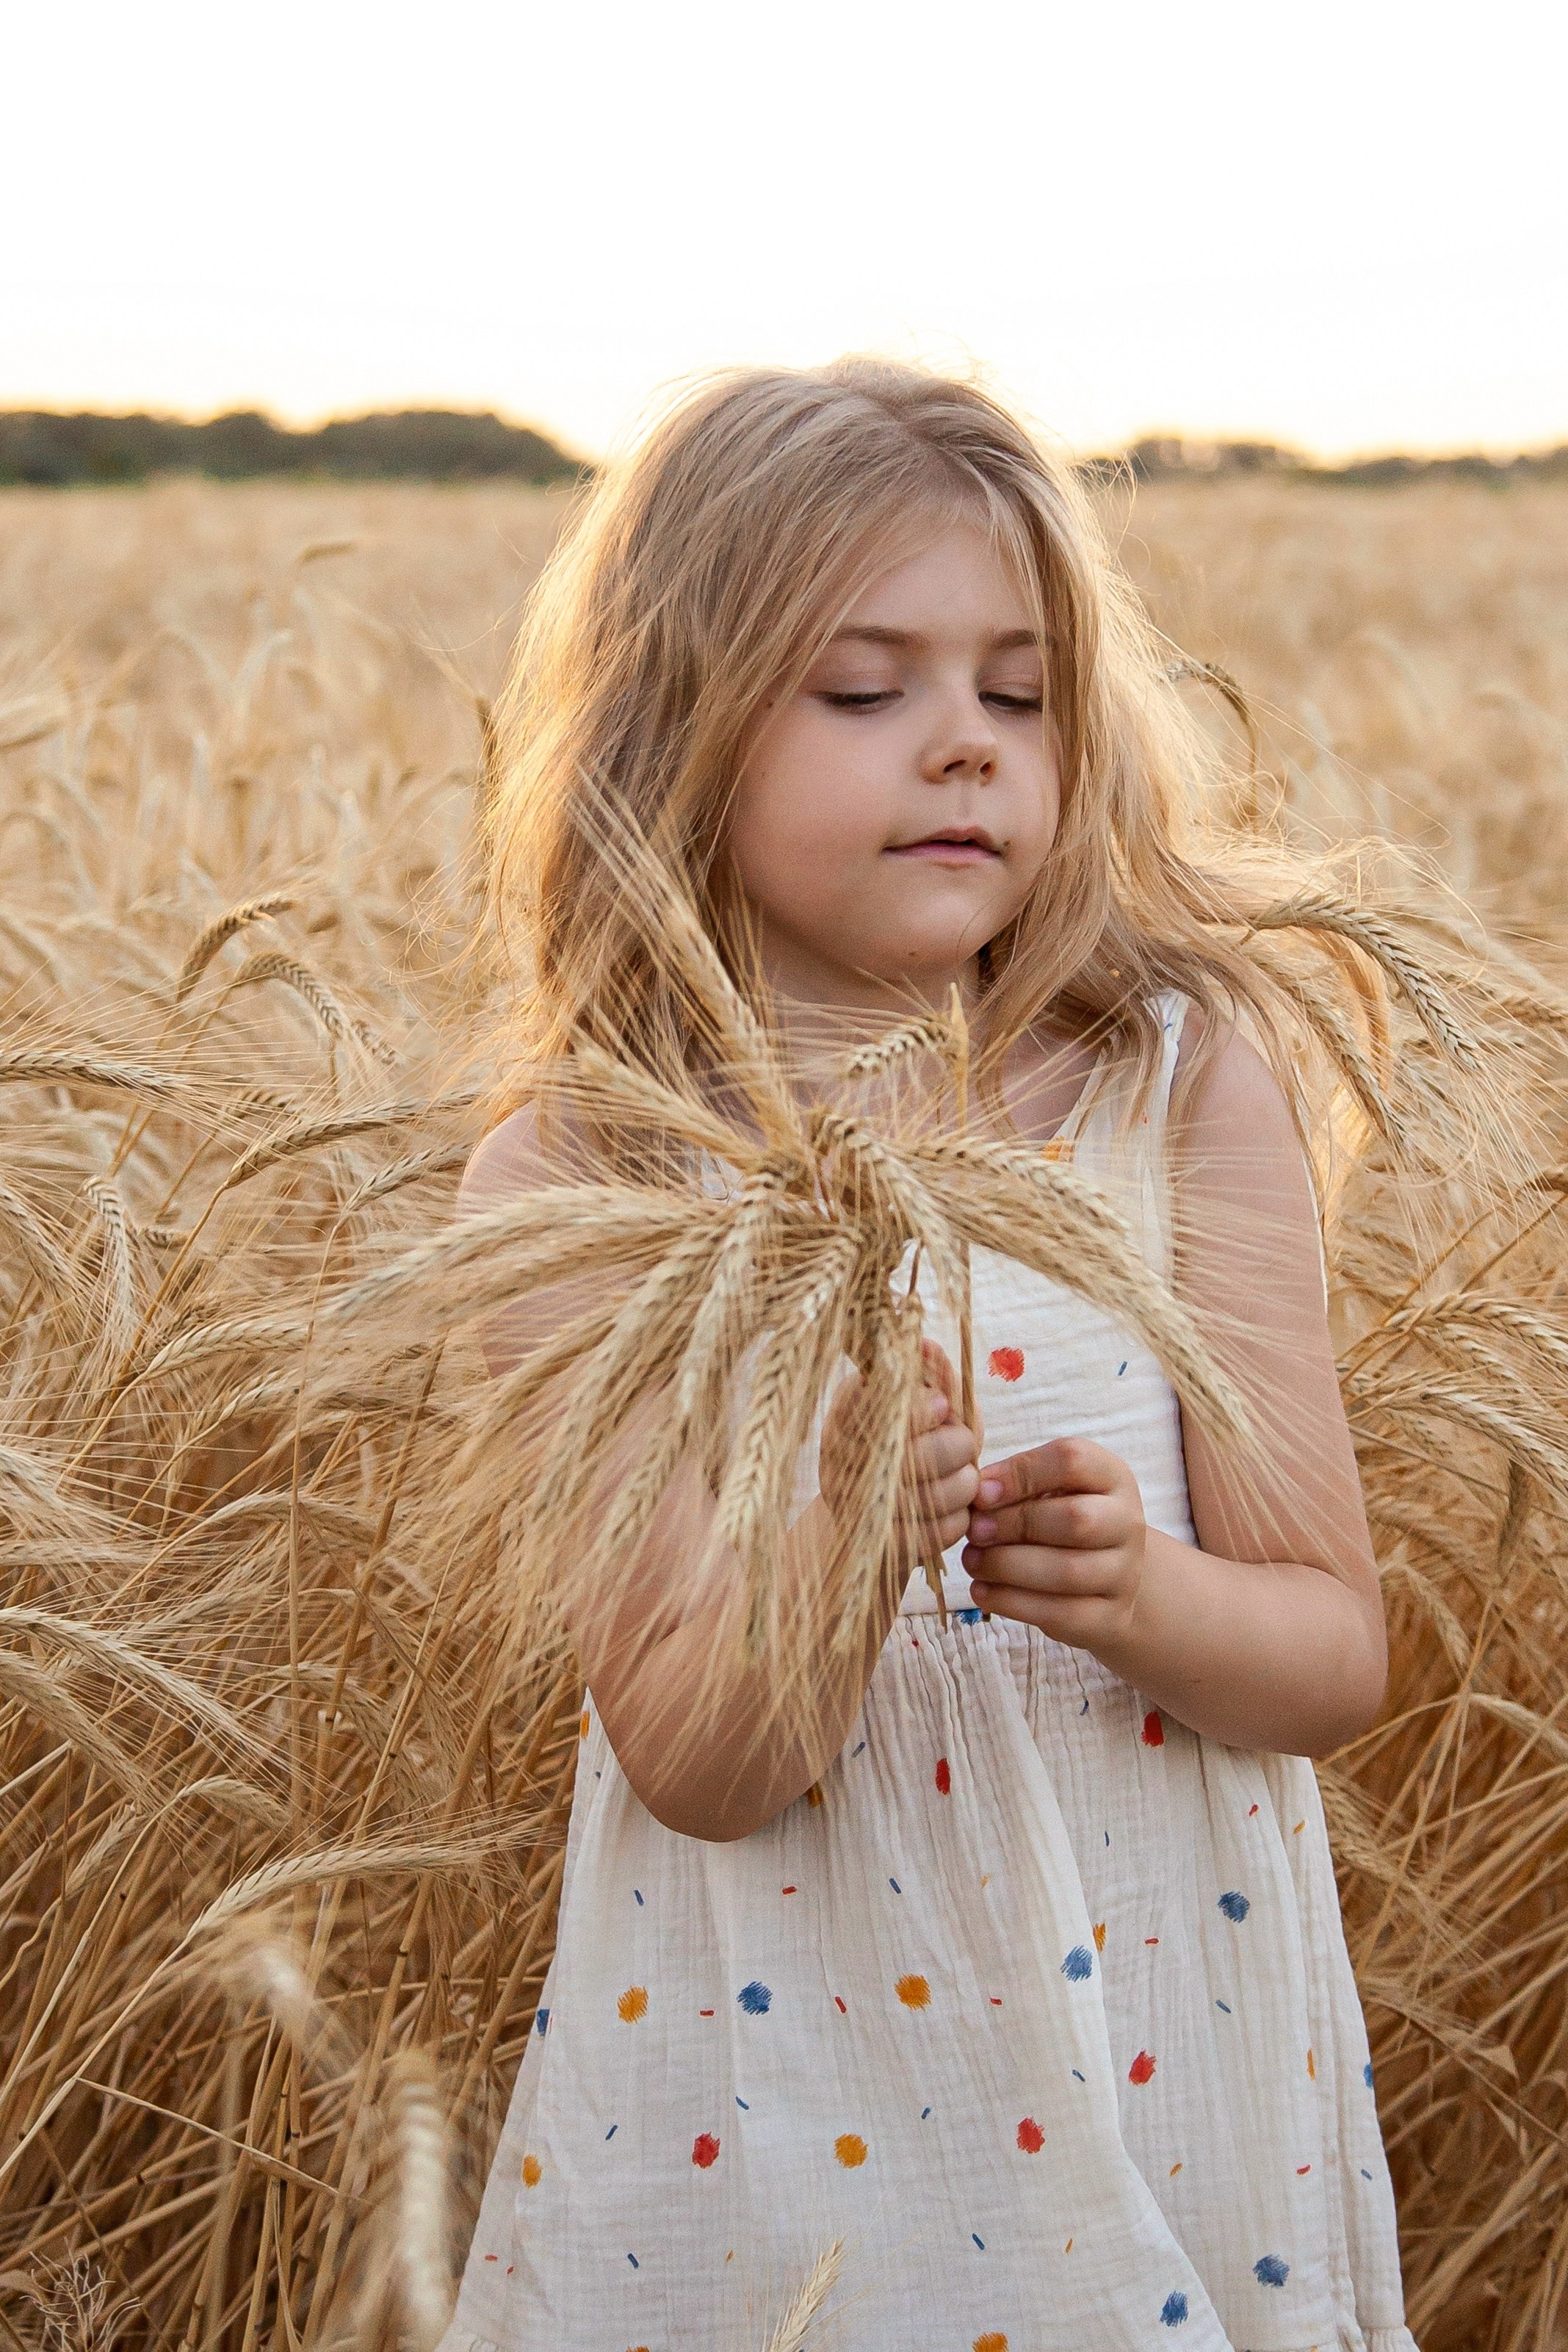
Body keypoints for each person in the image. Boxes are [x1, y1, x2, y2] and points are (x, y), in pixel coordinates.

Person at [441, 359, 1417, 2352]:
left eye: (1019, 689)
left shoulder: (1173, 1094)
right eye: (867, 689)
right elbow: (703, 1766)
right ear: (681, 730)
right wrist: (829, 1558)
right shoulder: (582, 1174)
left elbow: (1334, 1653)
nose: (963, 745)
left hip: (1171, 2045)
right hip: (783, 2127)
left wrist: (1145, 1593)